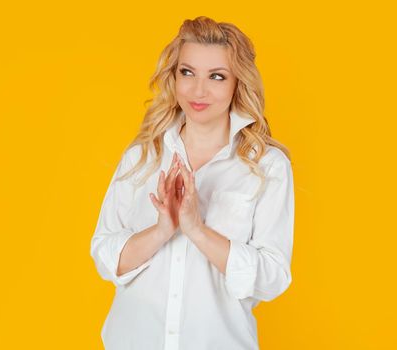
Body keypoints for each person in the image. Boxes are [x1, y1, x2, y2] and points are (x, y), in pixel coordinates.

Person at [90, 16, 295, 350]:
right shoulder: (143, 156)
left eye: (216, 76)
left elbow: (272, 277)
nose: (198, 91)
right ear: (174, 76)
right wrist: (161, 230)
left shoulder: (267, 167)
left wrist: (196, 229)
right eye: (187, 72)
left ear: (236, 83)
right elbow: (105, 255)